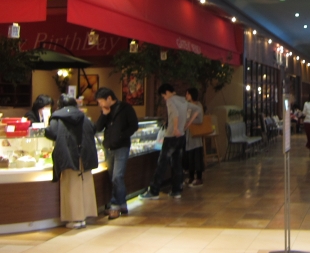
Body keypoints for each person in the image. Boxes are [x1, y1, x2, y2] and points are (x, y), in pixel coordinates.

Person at [44, 94, 98, 229]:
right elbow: (93, 129)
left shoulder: (57, 117)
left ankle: (75, 219)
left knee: (71, 187)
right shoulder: (83, 116)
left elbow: (51, 133)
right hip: (85, 155)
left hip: (68, 155)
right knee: (85, 185)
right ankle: (85, 216)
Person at [140, 83, 202, 199]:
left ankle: (154, 191)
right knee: (177, 163)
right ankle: (176, 190)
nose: (164, 98)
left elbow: (175, 114)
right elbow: (197, 109)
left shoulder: (171, 100)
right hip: (181, 136)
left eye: (163, 96)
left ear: (167, 92)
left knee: (162, 163)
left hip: (171, 136)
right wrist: (187, 124)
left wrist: (175, 128)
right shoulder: (182, 100)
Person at [95, 87, 139, 220]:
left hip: (122, 147)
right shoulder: (105, 111)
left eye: (101, 101)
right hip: (109, 148)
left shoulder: (126, 108)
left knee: (117, 177)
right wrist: (104, 114)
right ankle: (122, 204)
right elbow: (98, 128)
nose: (100, 105)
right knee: (113, 177)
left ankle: (115, 206)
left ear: (109, 98)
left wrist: (121, 136)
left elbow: (134, 126)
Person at [184, 87, 204, 187]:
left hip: (195, 136)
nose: (186, 96)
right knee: (190, 158)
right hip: (188, 135)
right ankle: (191, 177)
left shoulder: (198, 105)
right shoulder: (188, 105)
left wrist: (189, 122)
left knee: (196, 157)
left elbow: (200, 120)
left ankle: (199, 178)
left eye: (187, 94)